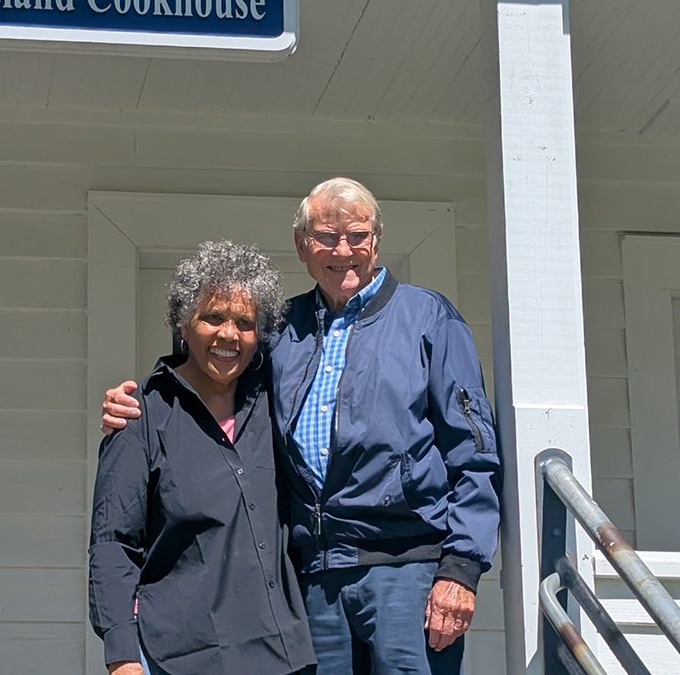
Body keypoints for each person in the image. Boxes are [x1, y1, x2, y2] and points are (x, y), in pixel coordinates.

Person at [101, 178, 501, 675]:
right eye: (325, 236)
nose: (343, 250)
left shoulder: (428, 319)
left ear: (376, 239)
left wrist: (461, 569)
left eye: (357, 235)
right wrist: (140, 397)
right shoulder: (282, 328)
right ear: (301, 245)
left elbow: (475, 453)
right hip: (311, 578)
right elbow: (216, 360)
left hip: (405, 569)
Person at [88, 240, 315, 675]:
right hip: (181, 656)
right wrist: (122, 658)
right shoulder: (141, 417)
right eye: (213, 318)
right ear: (183, 324)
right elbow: (113, 546)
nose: (229, 334)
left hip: (282, 654)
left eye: (245, 323)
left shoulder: (277, 406)